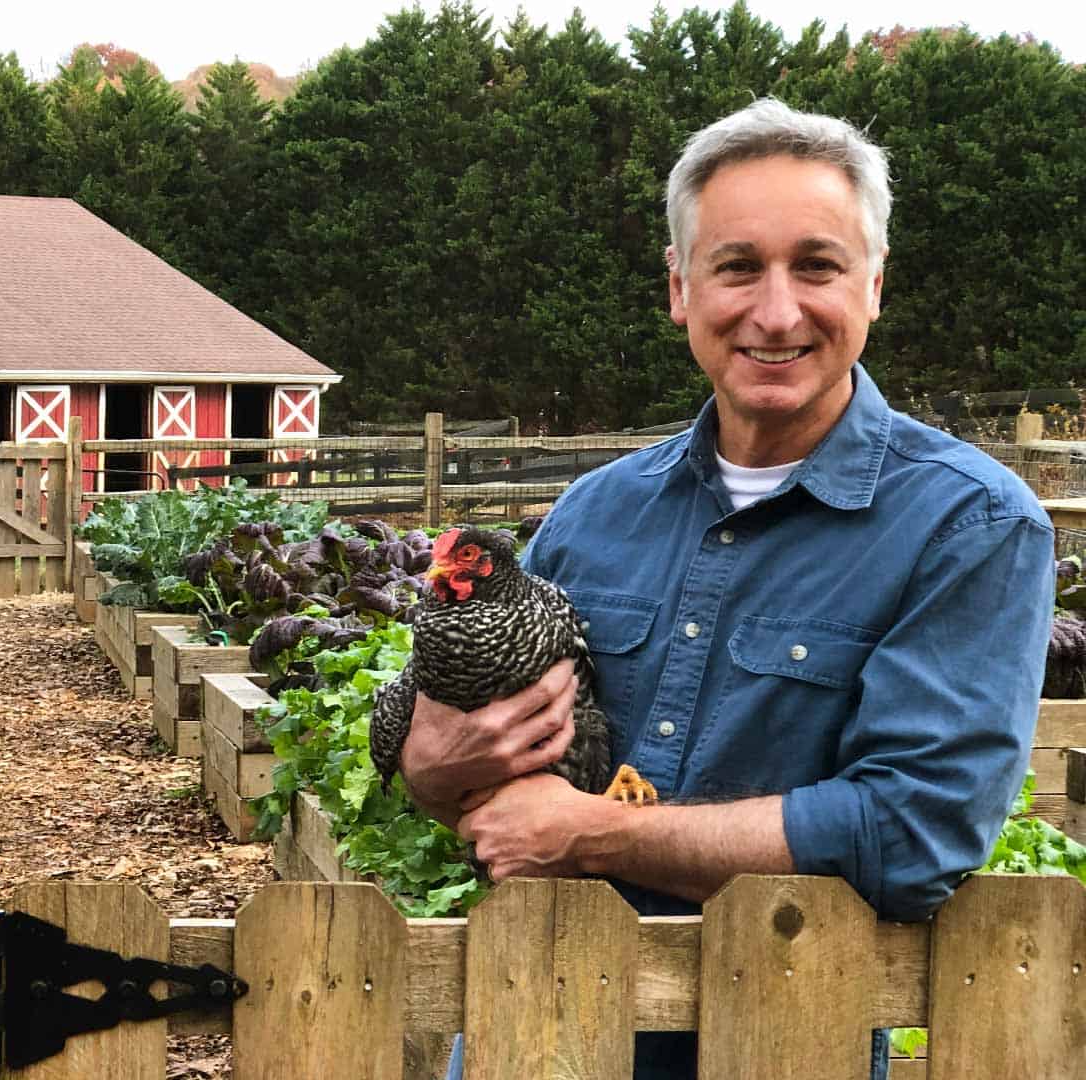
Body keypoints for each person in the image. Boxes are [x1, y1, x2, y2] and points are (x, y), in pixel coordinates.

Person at [414, 98, 1054, 1078]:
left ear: (874, 284)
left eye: (818, 265)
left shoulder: (970, 527)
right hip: (531, 1034)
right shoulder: (594, 513)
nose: (777, 309)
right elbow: (494, 786)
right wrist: (430, 762)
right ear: (681, 287)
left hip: (780, 1042)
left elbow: (914, 830)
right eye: (738, 265)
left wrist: (589, 833)